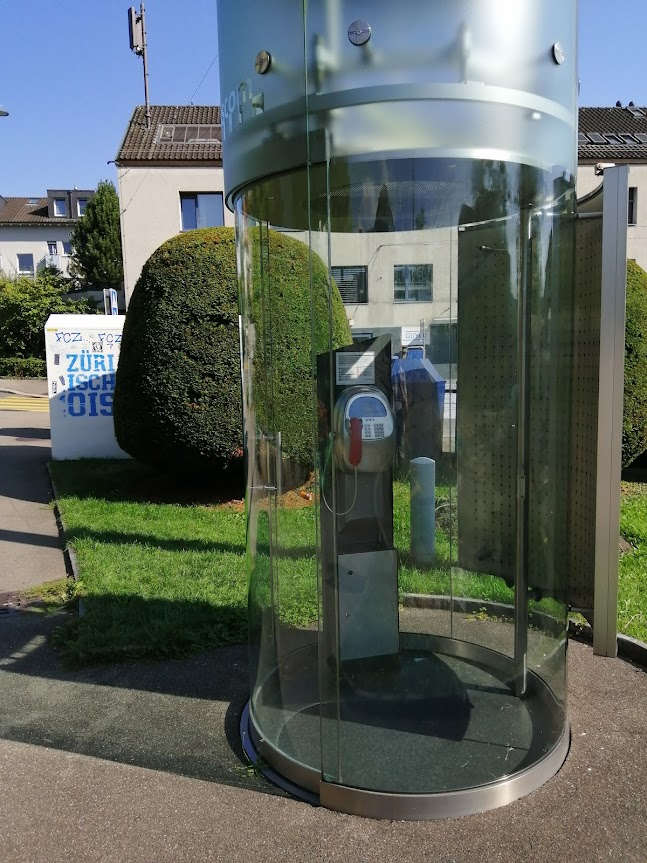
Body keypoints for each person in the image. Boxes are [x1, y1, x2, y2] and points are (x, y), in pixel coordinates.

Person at [392, 347, 409, 472]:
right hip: (399, 409)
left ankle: (395, 465)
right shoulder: (400, 371)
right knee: (400, 437)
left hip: (391, 408)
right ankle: (400, 466)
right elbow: (403, 392)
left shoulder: (391, 370)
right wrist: (406, 406)